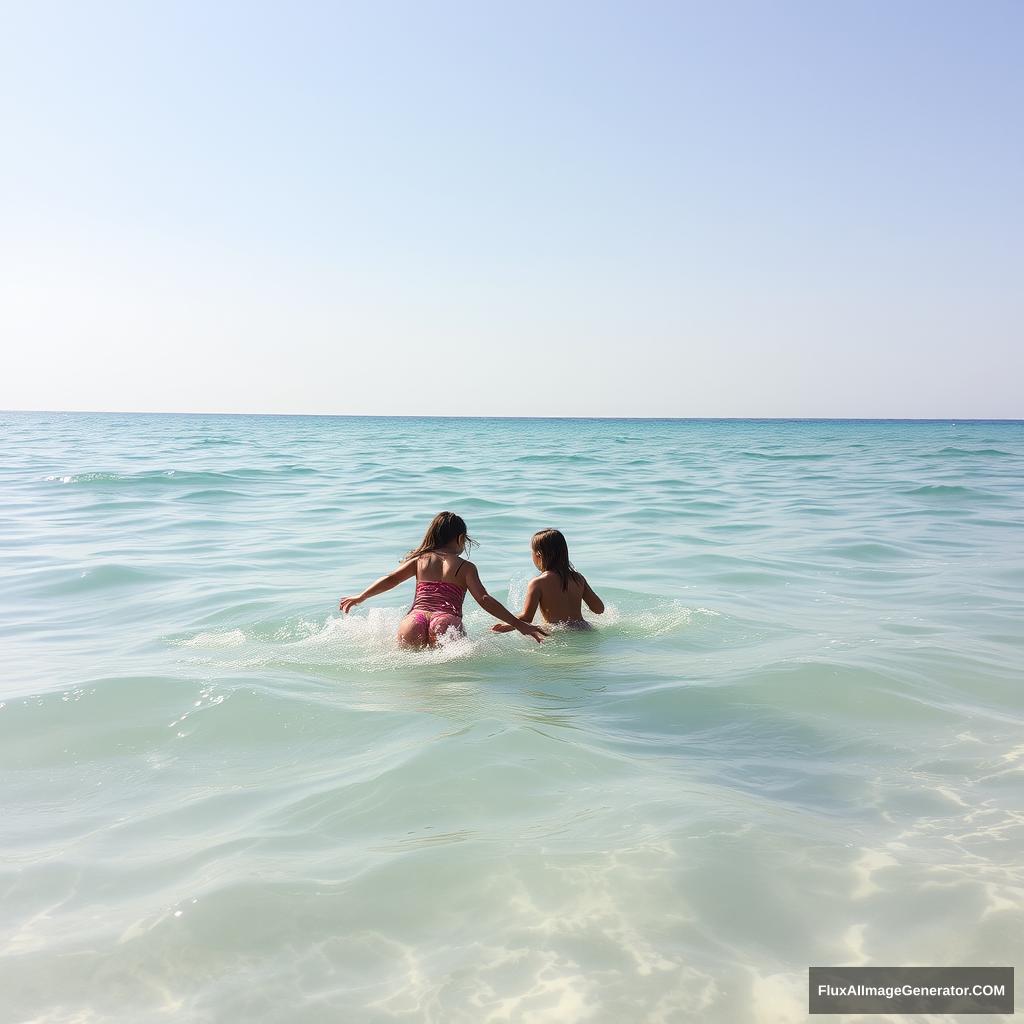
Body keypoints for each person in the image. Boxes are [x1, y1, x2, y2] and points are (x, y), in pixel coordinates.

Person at [339, 512, 549, 648]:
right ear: (460, 539)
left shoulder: (419, 560)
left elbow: (391, 579)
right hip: (446, 621)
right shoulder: (465, 568)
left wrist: (362, 596)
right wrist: (518, 624)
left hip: (414, 620)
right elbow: (484, 599)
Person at [492, 528, 604, 633]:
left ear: (538, 554)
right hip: (584, 630)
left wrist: (507, 624)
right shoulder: (578, 578)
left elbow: (527, 618)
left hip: (558, 633)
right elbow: (599, 609)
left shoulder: (538, 583)